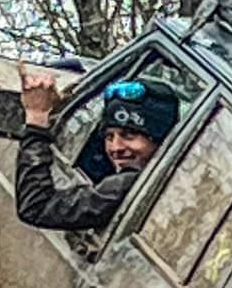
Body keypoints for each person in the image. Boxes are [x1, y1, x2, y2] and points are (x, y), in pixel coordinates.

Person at [16, 68, 180, 232]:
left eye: (129, 135)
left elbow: (35, 207)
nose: (116, 148)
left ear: (161, 140)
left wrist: (36, 120)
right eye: (109, 137)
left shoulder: (125, 186)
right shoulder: (181, 185)